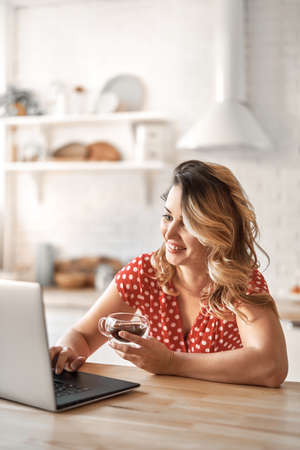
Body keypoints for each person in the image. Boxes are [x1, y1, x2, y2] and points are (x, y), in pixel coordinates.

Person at [50, 160, 288, 387]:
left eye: (187, 223)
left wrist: (171, 363)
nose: (170, 233)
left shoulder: (240, 283)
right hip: (163, 412)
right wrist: (67, 352)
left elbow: (271, 367)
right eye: (168, 217)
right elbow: (82, 335)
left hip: (225, 418)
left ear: (218, 229)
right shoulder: (144, 272)